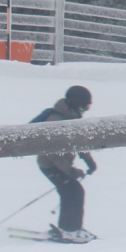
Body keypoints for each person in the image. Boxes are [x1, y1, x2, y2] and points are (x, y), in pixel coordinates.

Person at [31, 84, 98, 242]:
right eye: (84, 106)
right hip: (50, 164)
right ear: (75, 103)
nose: (86, 110)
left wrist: (88, 160)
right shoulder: (56, 120)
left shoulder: (73, 117)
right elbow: (53, 152)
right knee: (74, 192)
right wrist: (69, 170)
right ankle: (71, 230)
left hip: (60, 164)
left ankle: (68, 229)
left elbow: (78, 142)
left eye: (88, 106)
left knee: (71, 193)